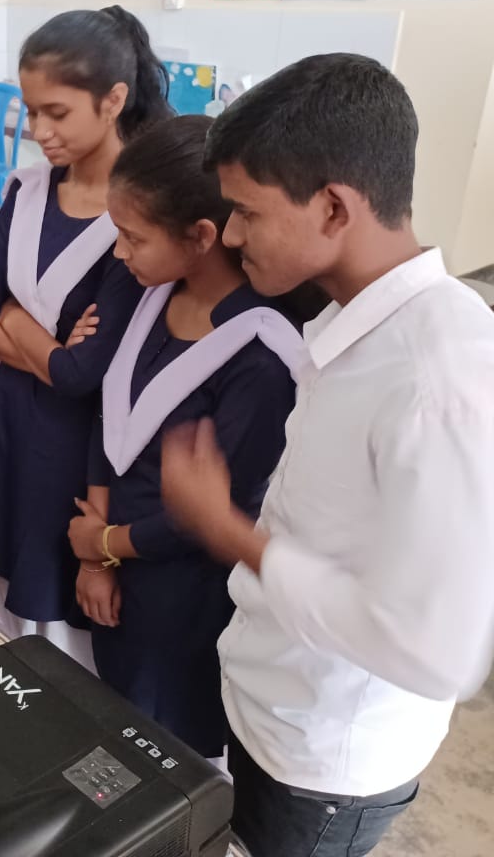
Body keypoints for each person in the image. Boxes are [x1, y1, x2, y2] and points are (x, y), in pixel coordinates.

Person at [159, 54, 494, 856]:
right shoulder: (351, 321)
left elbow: (438, 649)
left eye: (247, 212)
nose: (231, 236)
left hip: (324, 758)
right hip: (275, 701)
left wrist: (232, 533)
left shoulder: (437, 379)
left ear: (335, 208)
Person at [64, 115, 303, 762]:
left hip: (184, 593)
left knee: (170, 749)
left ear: (201, 236)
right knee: (115, 724)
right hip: (114, 556)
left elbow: (220, 512)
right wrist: (96, 558)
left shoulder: (260, 357)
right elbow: (110, 414)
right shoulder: (151, 293)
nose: (120, 253)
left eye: (133, 237)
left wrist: (107, 545)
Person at [0, 6, 167, 662]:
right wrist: (44, 345)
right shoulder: (26, 192)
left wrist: (14, 318)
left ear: (113, 100)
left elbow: (85, 376)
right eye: (31, 112)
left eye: (57, 113)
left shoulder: (138, 219)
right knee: (7, 605)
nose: (38, 131)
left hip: (79, 449)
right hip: (10, 427)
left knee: (67, 630)